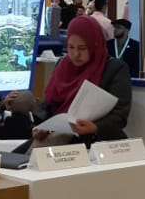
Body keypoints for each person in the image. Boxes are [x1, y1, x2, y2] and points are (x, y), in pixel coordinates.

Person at [20, 14, 131, 145]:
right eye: (71, 47)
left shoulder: (114, 69)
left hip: (97, 142)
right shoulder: (63, 65)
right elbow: (48, 104)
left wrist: (95, 127)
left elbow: (120, 115)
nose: (75, 54)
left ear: (94, 45)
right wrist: (42, 127)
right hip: (57, 137)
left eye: (82, 48)